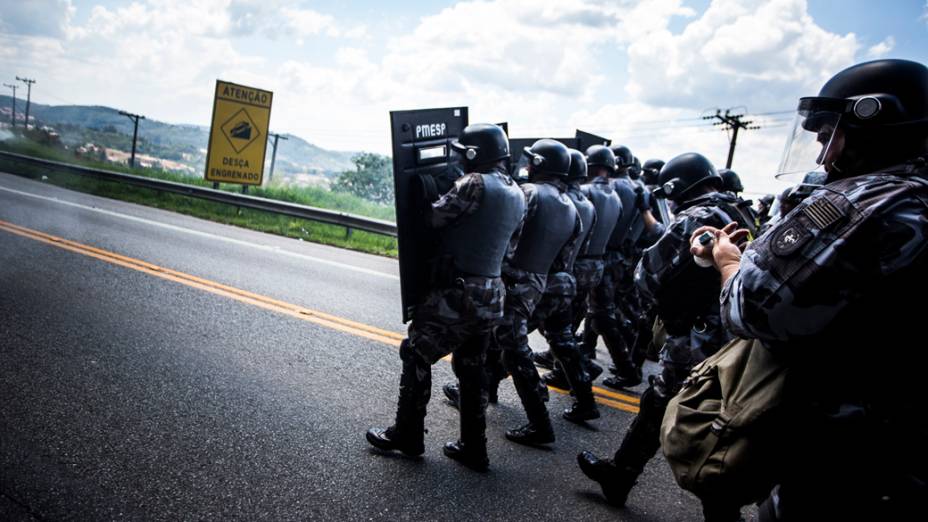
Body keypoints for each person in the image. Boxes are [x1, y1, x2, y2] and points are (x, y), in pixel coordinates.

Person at [693, 58, 928, 520]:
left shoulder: (860, 204)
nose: (823, 153)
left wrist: (725, 261)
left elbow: (751, 309)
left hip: (845, 450)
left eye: (827, 135)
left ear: (871, 126)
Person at [577, 152, 756, 520]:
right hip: (730, 333)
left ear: (676, 188)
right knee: (670, 404)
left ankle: (715, 508)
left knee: (692, 417)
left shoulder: (696, 218)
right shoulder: (740, 212)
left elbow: (648, 275)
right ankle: (620, 474)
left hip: (697, 335)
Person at [366, 123, 525, 472]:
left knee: (417, 353)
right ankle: (474, 447)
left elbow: (434, 218)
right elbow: (511, 250)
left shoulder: (473, 184)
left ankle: (407, 434)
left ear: (474, 155)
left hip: (458, 293)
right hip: (491, 294)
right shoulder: (518, 193)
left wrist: (435, 188)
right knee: (471, 368)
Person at [492, 139, 582, 445]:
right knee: (505, 341)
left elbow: (509, 235)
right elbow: (565, 258)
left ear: (541, 165)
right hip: (540, 281)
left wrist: (499, 271)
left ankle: (539, 423)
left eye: (532, 161)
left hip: (514, 279)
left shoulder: (529, 192)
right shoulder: (571, 205)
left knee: (514, 348)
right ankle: (481, 389)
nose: (527, 166)